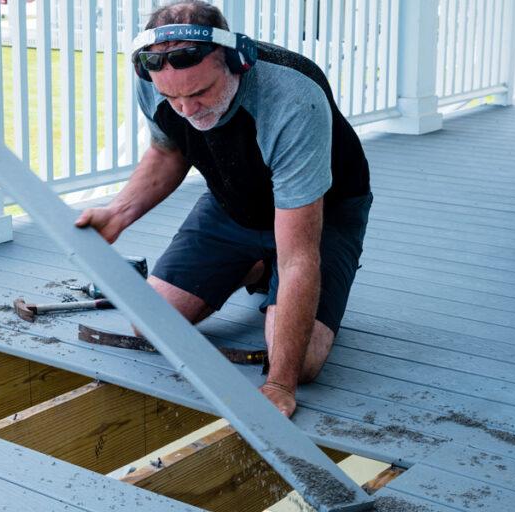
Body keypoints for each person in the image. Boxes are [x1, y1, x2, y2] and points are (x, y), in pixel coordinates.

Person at [75, 0, 372, 417]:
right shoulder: (158, 79)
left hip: (322, 210)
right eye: (172, 97)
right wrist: (118, 213)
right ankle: (253, 267)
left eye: (199, 92)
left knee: (301, 363)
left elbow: (299, 260)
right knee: (151, 325)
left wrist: (279, 384)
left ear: (238, 62)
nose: (186, 109)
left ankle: (272, 273)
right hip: (234, 199)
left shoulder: (292, 98)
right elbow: (167, 151)